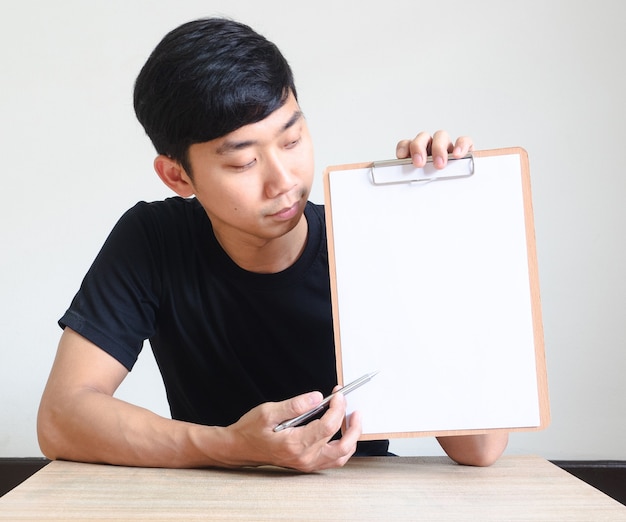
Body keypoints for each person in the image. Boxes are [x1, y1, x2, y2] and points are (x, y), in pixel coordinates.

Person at [37, 17, 508, 472]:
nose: (283, 181)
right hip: (207, 502)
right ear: (178, 175)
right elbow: (61, 419)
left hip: (359, 493)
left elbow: (481, 448)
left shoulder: (363, 239)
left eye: (292, 139)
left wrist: (437, 236)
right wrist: (228, 447)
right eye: (244, 163)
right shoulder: (153, 239)